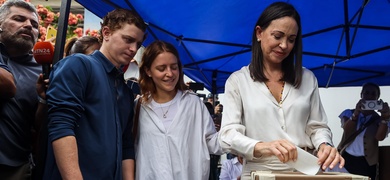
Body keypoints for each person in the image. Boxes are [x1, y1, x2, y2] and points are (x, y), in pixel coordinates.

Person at [218, 2, 344, 179]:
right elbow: (227, 135)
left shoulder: (307, 78)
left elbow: (317, 126)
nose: (284, 45)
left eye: (291, 39)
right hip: (259, 172)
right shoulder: (238, 81)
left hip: (304, 171)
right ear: (259, 33)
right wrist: (263, 146)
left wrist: (324, 144)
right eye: (278, 36)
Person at [43, 8, 147, 179]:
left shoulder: (126, 91)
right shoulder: (79, 64)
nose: (133, 49)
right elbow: (61, 125)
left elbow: (126, 145)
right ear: (106, 32)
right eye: (128, 40)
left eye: (138, 44)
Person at [135, 40, 222, 179]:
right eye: (161, 68)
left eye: (174, 67)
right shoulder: (139, 107)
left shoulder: (193, 103)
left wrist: (241, 143)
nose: (169, 73)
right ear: (148, 71)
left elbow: (213, 141)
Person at [0, 0, 43, 179]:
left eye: (34, 25)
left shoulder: (42, 71)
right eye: (19, 19)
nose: (28, 26)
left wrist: (44, 100)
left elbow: (39, 126)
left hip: (14, 167)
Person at [337, 82, 390, 180]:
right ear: (361, 95)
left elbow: (379, 137)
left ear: (378, 98)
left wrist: (385, 118)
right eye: (366, 93)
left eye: (373, 94)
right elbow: (347, 130)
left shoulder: (379, 119)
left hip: (367, 162)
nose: (369, 96)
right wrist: (356, 114)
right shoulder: (349, 113)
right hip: (347, 158)